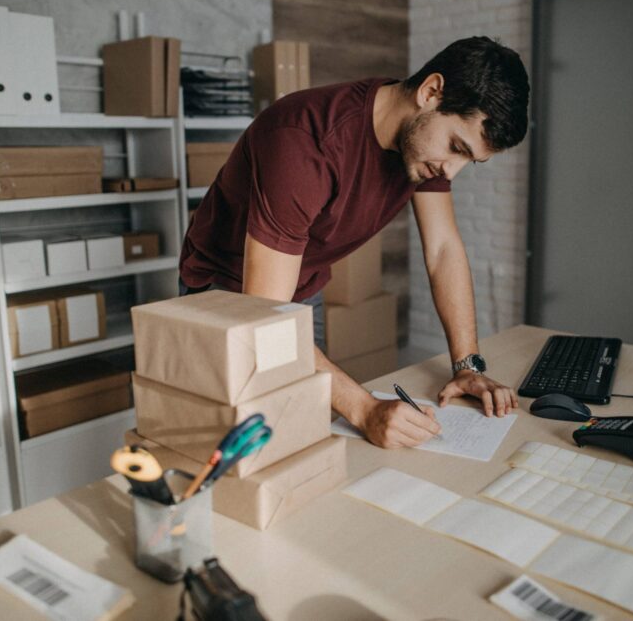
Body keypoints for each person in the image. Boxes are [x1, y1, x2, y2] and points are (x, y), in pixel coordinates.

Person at [180, 36, 530, 449]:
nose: (450, 173)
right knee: (230, 447)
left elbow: (443, 251)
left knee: (301, 432)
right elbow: (264, 317)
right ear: (431, 92)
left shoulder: (418, 142)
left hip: (299, 290)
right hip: (223, 294)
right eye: (456, 148)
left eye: (469, 160)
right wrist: (364, 409)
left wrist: (467, 365)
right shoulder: (306, 141)